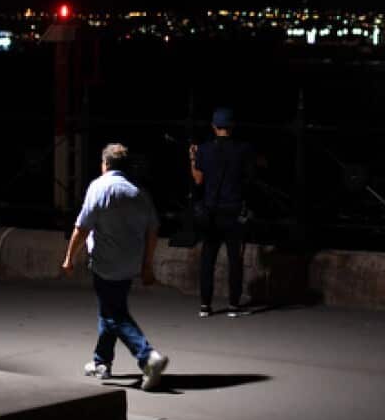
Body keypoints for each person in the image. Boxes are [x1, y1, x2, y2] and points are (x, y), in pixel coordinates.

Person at [62, 143, 169, 391]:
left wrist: (69, 257)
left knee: (114, 315)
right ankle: (102, 362)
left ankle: (147, 357)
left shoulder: (99, 187)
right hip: (129, 262)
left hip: (105, 263)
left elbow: (82, 227)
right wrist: (146, 265)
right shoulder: (139, 191)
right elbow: (153, 230)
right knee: (111, 307)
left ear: (105, 164)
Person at [189, 106, 256, 318]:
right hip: (233, 209)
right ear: (232, 126)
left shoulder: (205, 150)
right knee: (234, 258)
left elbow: (198, 180)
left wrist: (192, 158)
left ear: (213, 127)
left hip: (211, 210)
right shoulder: (242, 149)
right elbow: (249, 178)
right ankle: (233, 305)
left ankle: (205, 306)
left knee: (208, 257)